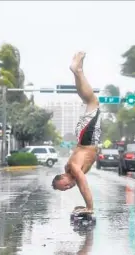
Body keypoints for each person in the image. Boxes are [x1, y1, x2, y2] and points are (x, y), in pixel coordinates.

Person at [51, 52, 101, 214]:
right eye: (65, 189)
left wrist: (90, 207)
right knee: (90, 101)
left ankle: (77, 70)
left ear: (63, 176)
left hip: (87, 138)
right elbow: (80, 185)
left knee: (92, 101)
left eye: (64, 184)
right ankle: (78, 70)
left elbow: (84, 185)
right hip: (87, 138)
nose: (68, 187)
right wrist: (86, 207)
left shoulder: (73, 168)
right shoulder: (72, 172)